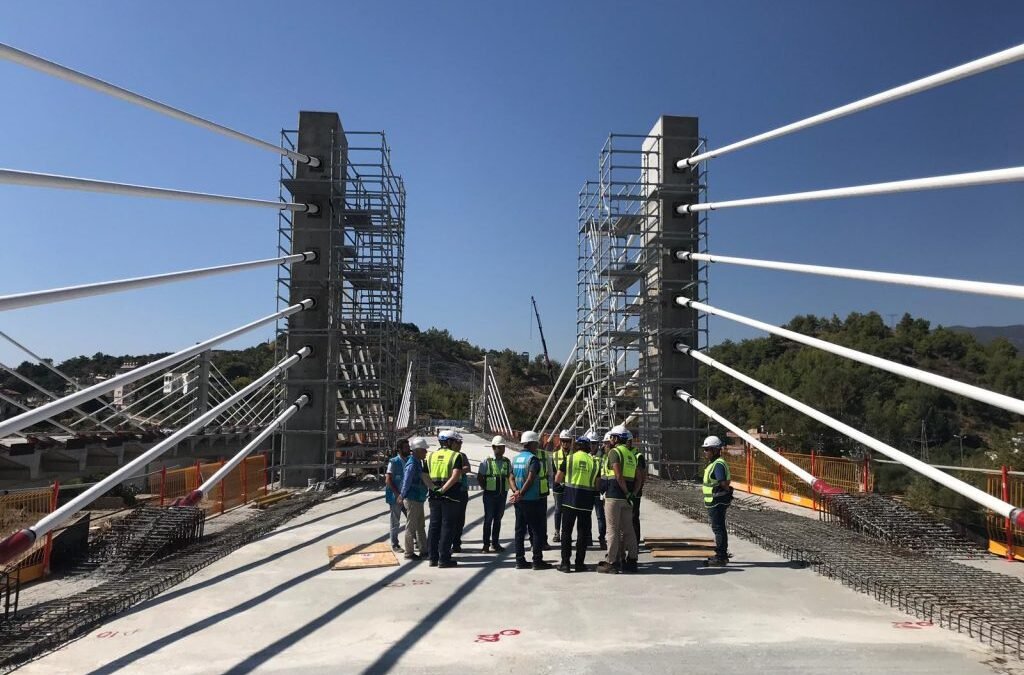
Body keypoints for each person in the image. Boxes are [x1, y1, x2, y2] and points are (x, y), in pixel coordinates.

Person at [597, 425, 639, 574]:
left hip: (614, 496)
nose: (610, 440)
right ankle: (632, 560)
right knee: (628, 530)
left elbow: (618, 475)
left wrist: (626, 492)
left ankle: (612, 562)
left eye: (612, 437)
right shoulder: (631, 454)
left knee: (612, 530)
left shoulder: (614, 452)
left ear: (616, 438)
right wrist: (631, 494)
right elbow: (637, 477)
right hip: (627, 498)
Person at [555, 434, 600, 573]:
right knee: (582, 533)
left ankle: (565, 564)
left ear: (577, 446)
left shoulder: (569, 459)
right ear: (588, 447)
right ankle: (579, 563)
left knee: (566, 532)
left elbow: (558, 478)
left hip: (569, 500)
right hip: (586, 502)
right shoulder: (594, 462)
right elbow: (597, 485)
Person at [511, 430, 552, 570]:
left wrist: (516, 492)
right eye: (536, 443)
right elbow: (531, 478)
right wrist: (521, 493)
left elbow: (511, 477)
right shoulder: (533, 459)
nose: (537, 446)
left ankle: (519, 560)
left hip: (519, 501)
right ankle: (537, 561)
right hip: (532, 500)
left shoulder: (515, 459)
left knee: (519, 531)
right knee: (536, 530)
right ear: (531, 444)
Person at [426, 429, 466, 568]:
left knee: (434, 526)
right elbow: (455, 476)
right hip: (451, 496)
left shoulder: (431, 455)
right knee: (447, 527)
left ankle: (432, 558)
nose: (458, 444)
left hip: (434, 496)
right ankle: (444, 558)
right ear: (449, 442)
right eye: (456, 441)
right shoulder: (456, 456)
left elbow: (424, 475)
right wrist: (443, 490)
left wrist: (434, 489)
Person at [702, 435, 733, 567]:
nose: (705, 452)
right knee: (719, 528)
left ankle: (721, 556)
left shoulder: (718, 464)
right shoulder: (714, 463)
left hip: (717, 501)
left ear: (715, 450)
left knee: (718, 528)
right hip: (715, 500)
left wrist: (726, 490)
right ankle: (721, 554)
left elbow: (723, 482)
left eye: (707, 449)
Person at [477, 435, 511, 553]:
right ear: (493, 447)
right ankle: (486, 545)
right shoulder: (487, 461)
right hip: (490, 496)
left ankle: (495, 544)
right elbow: (480, 477)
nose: (502, 449)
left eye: (503, 447)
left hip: (502, 495)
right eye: (499, 447)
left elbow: (510, 476)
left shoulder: (507, 461)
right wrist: (485, 488)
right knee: (488, 519)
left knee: (498, 519)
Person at [399, 437, 431, 560]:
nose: (426, 452)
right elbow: (406, 481)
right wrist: (402, 495)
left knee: (420, 525)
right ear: (417, 451)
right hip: (412, 499)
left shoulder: (417, 462)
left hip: (418, 498)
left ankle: (424, 550)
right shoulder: (412, 464)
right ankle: (409, 553)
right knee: (411, 527)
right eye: (424, 450)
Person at [384, 438, 411, 552]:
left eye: (408, 447)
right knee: (395, 521)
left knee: (411, 518)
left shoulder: (409, 460)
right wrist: (398, 494)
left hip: (407, 496)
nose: (408, 449)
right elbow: (388, 480)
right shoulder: (393, 462)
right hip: (395, 497)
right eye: (406, 448)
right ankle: (395, 544)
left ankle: (415, 540)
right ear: (399, 450)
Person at [551, 430, 573, 543]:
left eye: (568, 441)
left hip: (570, 487)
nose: (565, 443)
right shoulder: (555, 455)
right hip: (558, 487)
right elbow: (554, 472)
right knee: (558, 510)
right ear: (560, 441)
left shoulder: (574, 455)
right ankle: (557, 532)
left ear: (571, 442)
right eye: (563, 441)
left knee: (568, 511)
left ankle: (566, 533)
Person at [451, 435, 471, 553]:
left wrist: (456, 471)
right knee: (449, 518)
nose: (459, 445)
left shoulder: (462, 456)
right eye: (457, 443)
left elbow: (468, 468)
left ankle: (456, 543)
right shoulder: (449, 456)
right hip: (450, 490)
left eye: (460, 443)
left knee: (460, 518)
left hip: (462, 491)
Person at [588, 431, 607, 550]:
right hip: (588, 490)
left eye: (594, 443)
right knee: (587, 516)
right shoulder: (586, 456)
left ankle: (602, 538)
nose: (592, 446)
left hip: (599, 491)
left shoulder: (603, 457)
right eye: (590, 443)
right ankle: (588, 538)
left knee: (600, 516)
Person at [630, 432, 647, 549]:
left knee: (634, 517)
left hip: (635, 491)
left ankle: (635, 543)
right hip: (626, 491)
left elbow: (642, 475)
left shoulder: (637, 455)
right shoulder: (623, 454)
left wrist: (637, 490)